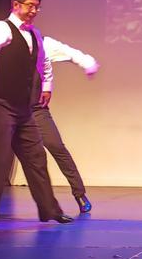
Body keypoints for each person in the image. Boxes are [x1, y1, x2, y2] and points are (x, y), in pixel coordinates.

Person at [0, 0, 72, 229]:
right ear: (16, 5)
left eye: (37, 7)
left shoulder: (35, 34)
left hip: (23, 108)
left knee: (36, 158)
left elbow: (42, 62)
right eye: (30, 5)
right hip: (0, 104)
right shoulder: (1, 28)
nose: (34, 11)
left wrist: (46, 86)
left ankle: (50, 210)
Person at [32, 36, 100, 213]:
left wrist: (88, 63)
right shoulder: (4, 40)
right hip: (8, 108)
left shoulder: (40, 42)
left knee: (56, 146)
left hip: (36, 108)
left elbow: (69, 52)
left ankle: (79, 193)